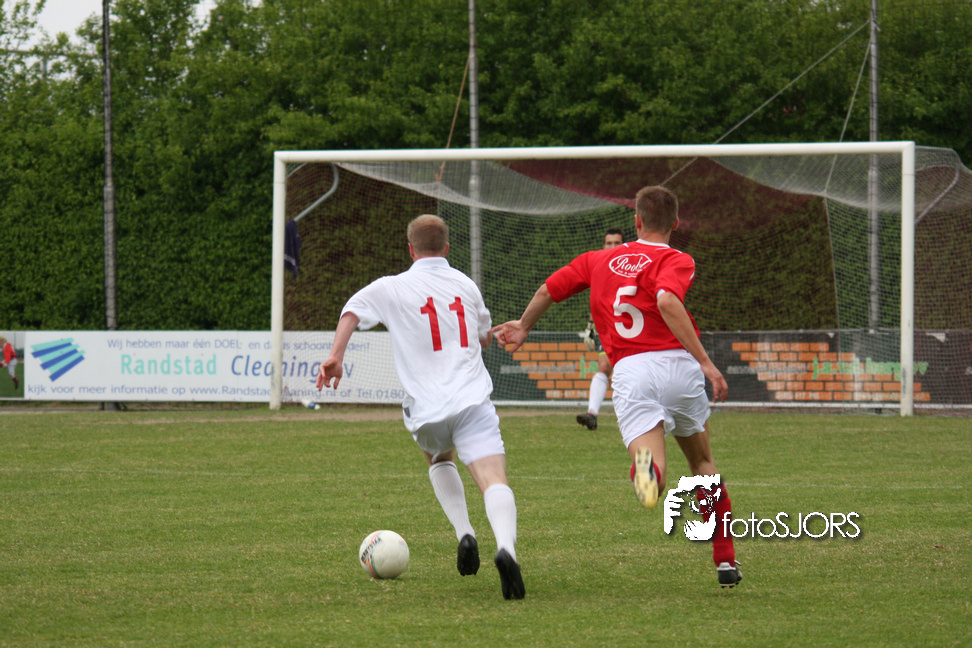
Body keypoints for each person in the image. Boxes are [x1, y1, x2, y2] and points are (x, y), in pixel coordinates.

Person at [491, 186, 741, 588]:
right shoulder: (677, 258)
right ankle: (725, 559)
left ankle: (649, 472)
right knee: (702, 464)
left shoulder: (598, 259)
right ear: (676, 223)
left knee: (654, 465)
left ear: (636, 221)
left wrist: (523, 325)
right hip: (679, 366)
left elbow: (548, 290)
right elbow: (667, 301)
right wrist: (706, 363)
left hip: (631, 370)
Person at [316, 214, 525, 600]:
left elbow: (351, 310)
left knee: (439, 457)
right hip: (471, 399)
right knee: (493, 479)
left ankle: (465, 532)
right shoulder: (466, 284)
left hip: (426, 409)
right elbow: (482, 337)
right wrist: (490, 335)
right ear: (447, 247)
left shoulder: (392, 286)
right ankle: (506, 550)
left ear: (410, 249)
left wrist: (336, 356)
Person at [576, 227, 624, 431]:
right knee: (604, 366)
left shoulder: (632, 266)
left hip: (633, 329)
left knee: (629, 372)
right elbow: (597, 300)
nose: (612, 247)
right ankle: (592, 414)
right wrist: (590, 326)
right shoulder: (599, 268)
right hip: (609, 329)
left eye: (616, 243)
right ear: (603, 245)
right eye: (608, 243)